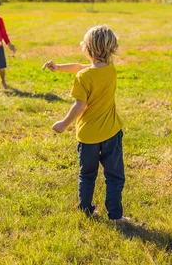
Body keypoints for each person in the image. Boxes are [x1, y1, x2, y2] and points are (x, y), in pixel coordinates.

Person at [42, 25, 128, 223]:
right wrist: (59, 67)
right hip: (111, 134)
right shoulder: (111, 70)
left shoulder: (84, 77)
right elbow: (82, 67)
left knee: (87, 175)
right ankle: (116, 216)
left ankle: (86, 210)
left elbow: (80, 105)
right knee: (114, 177)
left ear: (88, 49)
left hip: (88, 136)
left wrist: (64, 123)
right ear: (111, 49)